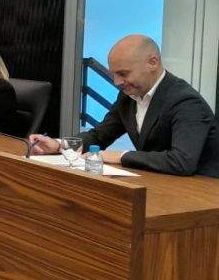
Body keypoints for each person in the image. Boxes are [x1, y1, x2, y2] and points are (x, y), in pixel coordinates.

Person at [31, 34, 219, 176]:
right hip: (158, 182)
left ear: (152, 63)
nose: (117, 82)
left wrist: (121, 156)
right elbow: (99, 136)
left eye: (123, 74)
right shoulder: (128, 97)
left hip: (201, 193)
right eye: (114, 75)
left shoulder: (185, 101)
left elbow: (182, 161)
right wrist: (59, 145)